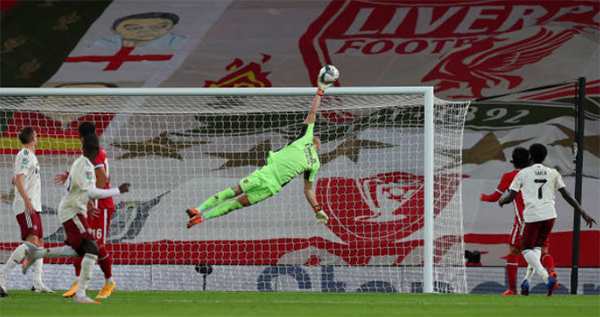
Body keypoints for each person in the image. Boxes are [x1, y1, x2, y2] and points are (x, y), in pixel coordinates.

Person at [185, 78, 332, 228]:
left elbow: (308, 189)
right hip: (265, 174)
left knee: (235, 205)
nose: (319, 138)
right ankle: (198, 209)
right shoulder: (304, 138)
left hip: (272, 186)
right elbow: (312, 112)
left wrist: (317, 210)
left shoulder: (315, 163)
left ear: (318, 148)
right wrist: (320, 92)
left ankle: (201, 218)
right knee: (234, 191)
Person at [23, 134, 130, 304]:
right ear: (94, 150)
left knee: (81, 249)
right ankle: (83, 291)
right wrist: (118, 190)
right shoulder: (86, 165)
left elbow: (69, 186)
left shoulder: (80, 163)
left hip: (72, 209)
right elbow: (92, 191)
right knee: (91, 247)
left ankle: (39, 255)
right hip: (73, 211)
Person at [499, 143, 596, 296]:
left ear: (530, 156)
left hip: (532, 216)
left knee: (525, 249)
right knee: (538, 248)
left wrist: (502, 201)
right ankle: (527, 280)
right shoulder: (553, 172)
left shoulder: (523, 173)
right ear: (544, 157)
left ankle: (546, 277)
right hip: (550, 216)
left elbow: (511, 196)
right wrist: (582, 212)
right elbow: (566, 194)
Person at [481, 147, 556, 295]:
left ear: (514, 161)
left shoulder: (511, 176)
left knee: (514, 251)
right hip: (543, 217)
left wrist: (482, 197)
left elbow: (496, 197)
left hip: (524, 220)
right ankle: (550, 273)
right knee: (542, 251)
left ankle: (515, 288)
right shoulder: (537, 173)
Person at [54, 121, 117, 299]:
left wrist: (90, 200)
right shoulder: (92, 151)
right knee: (80, 241)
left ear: (79, 136)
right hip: (89, 206)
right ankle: (80, 282)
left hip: (100, 206)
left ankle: (109, 282)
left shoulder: (95, 153)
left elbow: (102, 178)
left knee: (96, 244)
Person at [0, 127, 53, 298]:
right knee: (31, 241)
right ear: (34, 138)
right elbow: (20, 179)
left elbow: (17, 178)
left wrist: (16, 180)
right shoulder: (24, 155)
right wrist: (27, 200)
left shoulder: (29, 156)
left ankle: (37, 283)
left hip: (34, 205)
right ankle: (2, 275)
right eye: (37, 135)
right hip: (26, 206)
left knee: (39, 243)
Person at [90, 12, 185, 48]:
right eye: (133, 28)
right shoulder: (104, 43)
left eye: (160, 26)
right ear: (114, 30)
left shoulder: (177, 42)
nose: (147, 31)